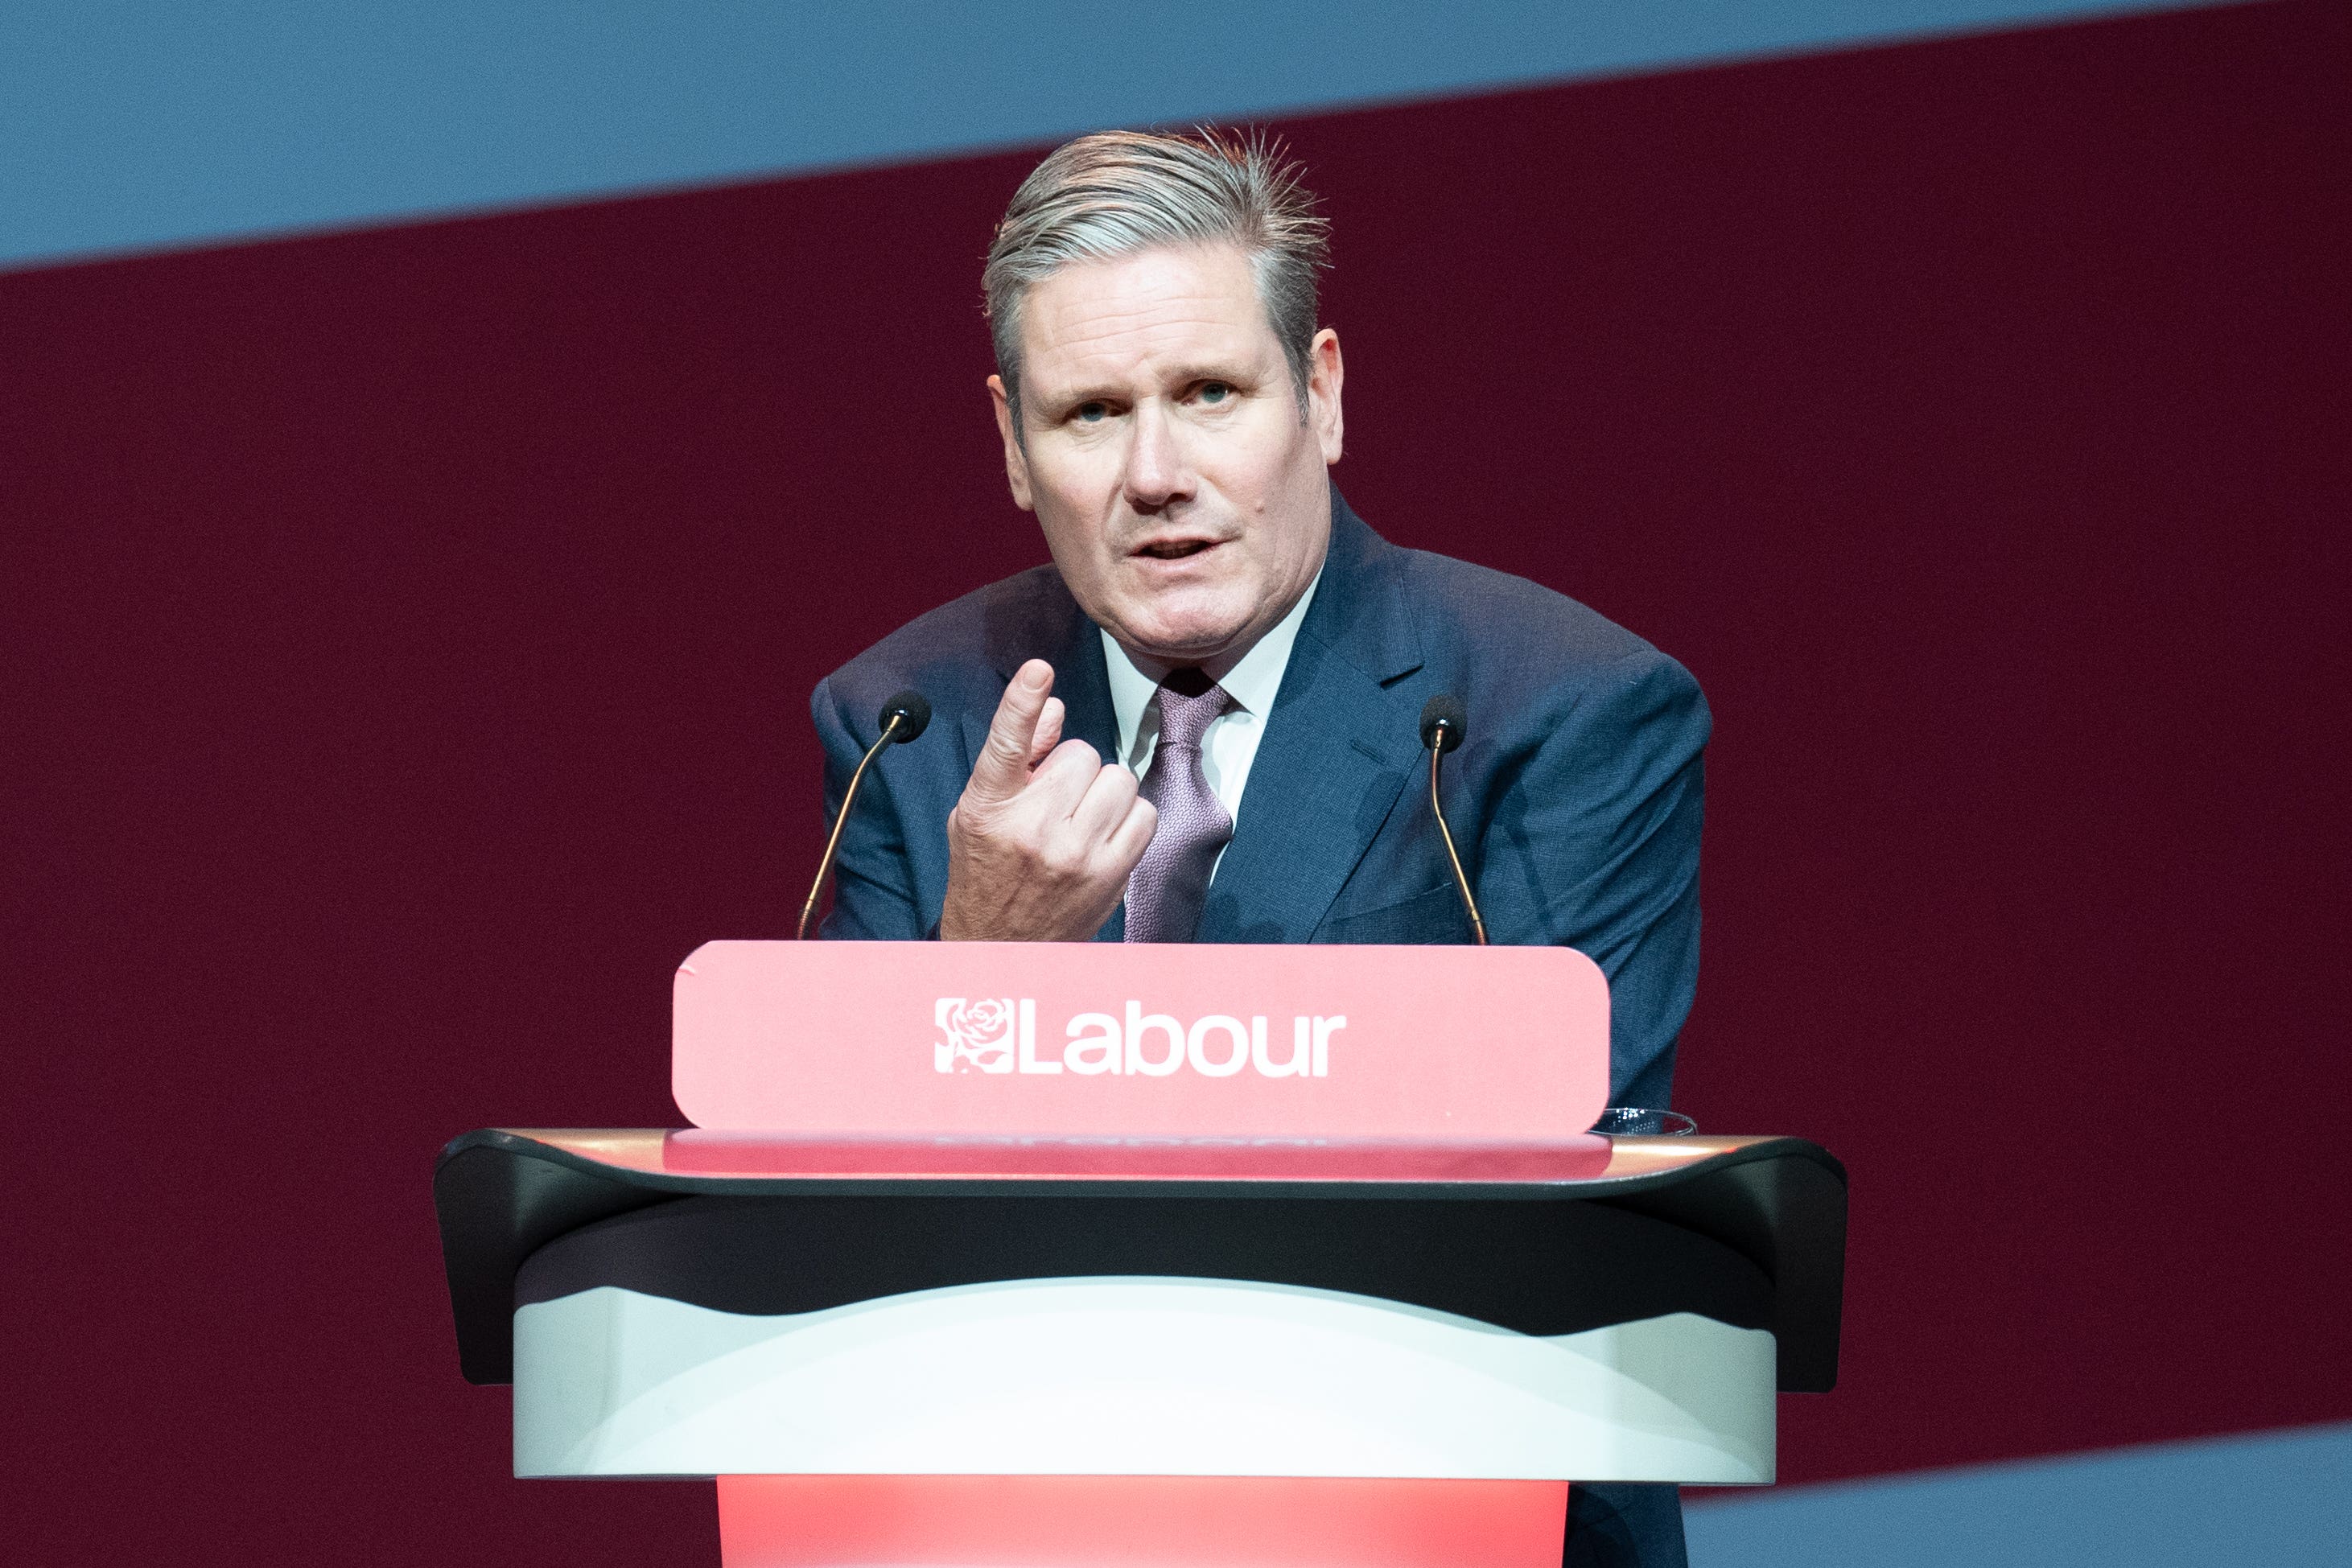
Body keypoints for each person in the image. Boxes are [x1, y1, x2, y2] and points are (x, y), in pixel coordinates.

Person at [811, 128, 1708, 1568]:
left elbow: (1551, 1217)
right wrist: (982, 964)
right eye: (1090, 412)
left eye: (1209, 393)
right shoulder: (913, 722)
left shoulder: (1562, 709)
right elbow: (818, 1235)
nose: (1155, 472)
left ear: (1323, 393)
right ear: (1008, 441)